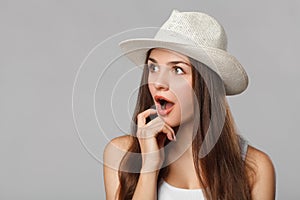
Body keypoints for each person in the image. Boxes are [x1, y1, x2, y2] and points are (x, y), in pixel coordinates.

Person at [103, 10, 276, 200]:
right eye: (153, 67)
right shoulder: (120, 154)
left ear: (206, 85)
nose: (159, 82)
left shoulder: (254, 168)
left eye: (177, 69)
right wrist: (149, 167)